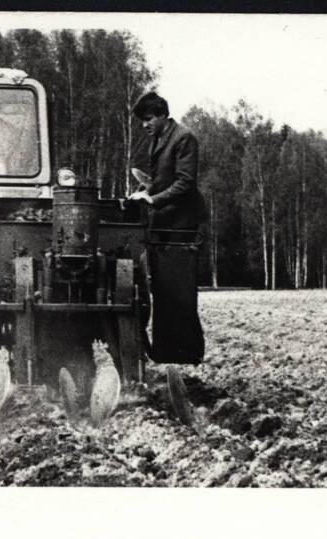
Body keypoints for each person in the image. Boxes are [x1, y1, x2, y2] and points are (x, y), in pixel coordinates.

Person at [126, 91, 207, 365]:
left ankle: (185, 354)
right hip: (166, 224)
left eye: (148, 119)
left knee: (178, 293)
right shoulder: (162, 137)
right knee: (164, 292)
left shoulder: (184, 137)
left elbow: (186, 183)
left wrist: (152, 199)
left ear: (162, 115)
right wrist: (145, 188)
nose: (144, 125)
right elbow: (164, 179)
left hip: (180, 225)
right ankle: (168, 352)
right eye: (142, 121)